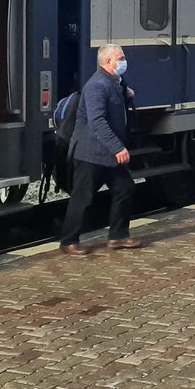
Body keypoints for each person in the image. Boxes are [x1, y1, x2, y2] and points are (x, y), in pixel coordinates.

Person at [60, 44, 141, 256]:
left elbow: (115, 101)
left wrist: (127, 94)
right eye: (121, 58)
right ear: (108, 62)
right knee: (83, 198)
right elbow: (97, 122)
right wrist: (118, 148)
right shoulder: (97, 85)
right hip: (91, 153)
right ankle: (69, 241)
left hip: (107, 154)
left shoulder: (114, 82)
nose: (124, 61)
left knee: (125, 189)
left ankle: (118, 237)